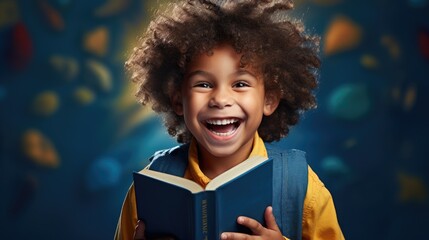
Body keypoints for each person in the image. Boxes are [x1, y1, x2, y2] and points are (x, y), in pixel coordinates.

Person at [115, 0, 344, 239]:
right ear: (177, 100)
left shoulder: (301, 186)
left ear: (270, 100)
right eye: (203, 84)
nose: (221, 99)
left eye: (240, 84)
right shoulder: (149, 187)